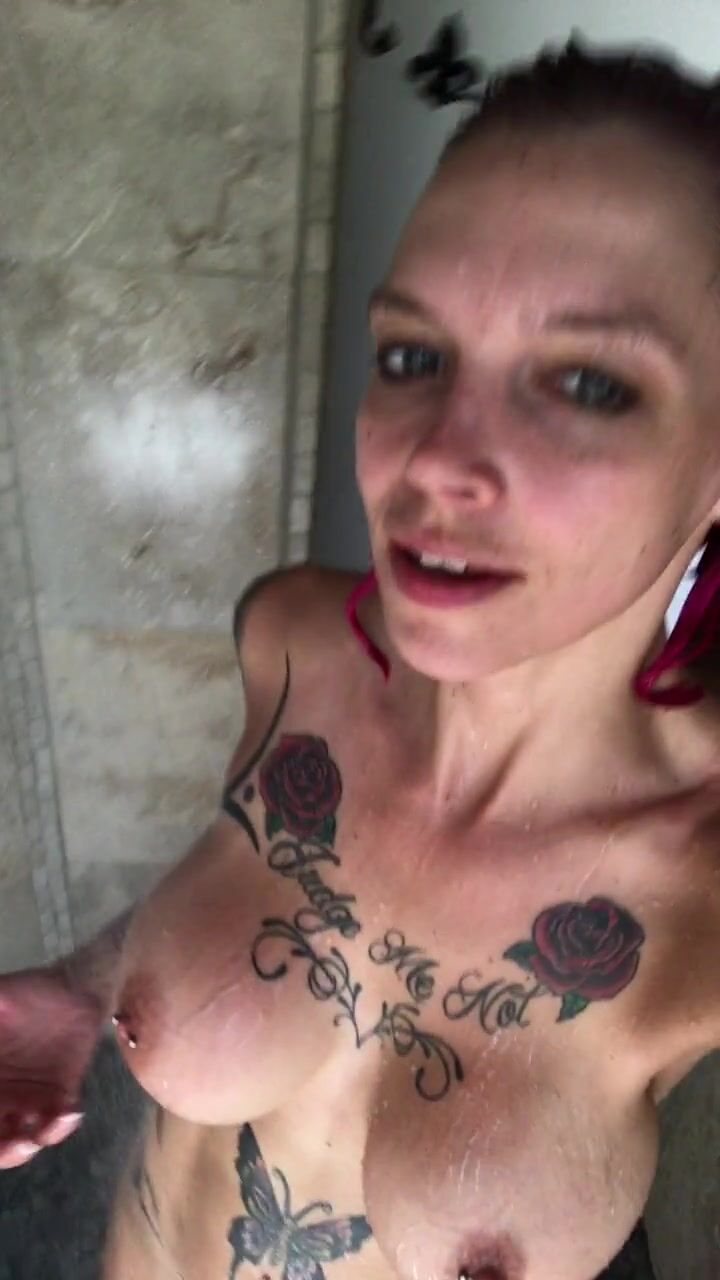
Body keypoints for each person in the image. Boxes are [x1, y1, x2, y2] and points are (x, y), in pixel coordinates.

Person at [2, 34, 720, 1280]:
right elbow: (253, 861)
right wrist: (82, 981)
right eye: (413, 357)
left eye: (589, 383)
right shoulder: (295, 643)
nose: (436, 458)